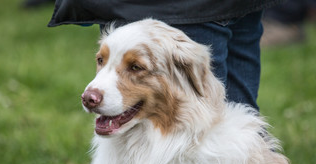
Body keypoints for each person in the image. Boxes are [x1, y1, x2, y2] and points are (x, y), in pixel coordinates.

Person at [48, 0, 285, 110]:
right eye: (101, 61)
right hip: (238, 5)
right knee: (243, 131)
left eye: (134, 68)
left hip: (171, 6)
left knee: (205, 140)